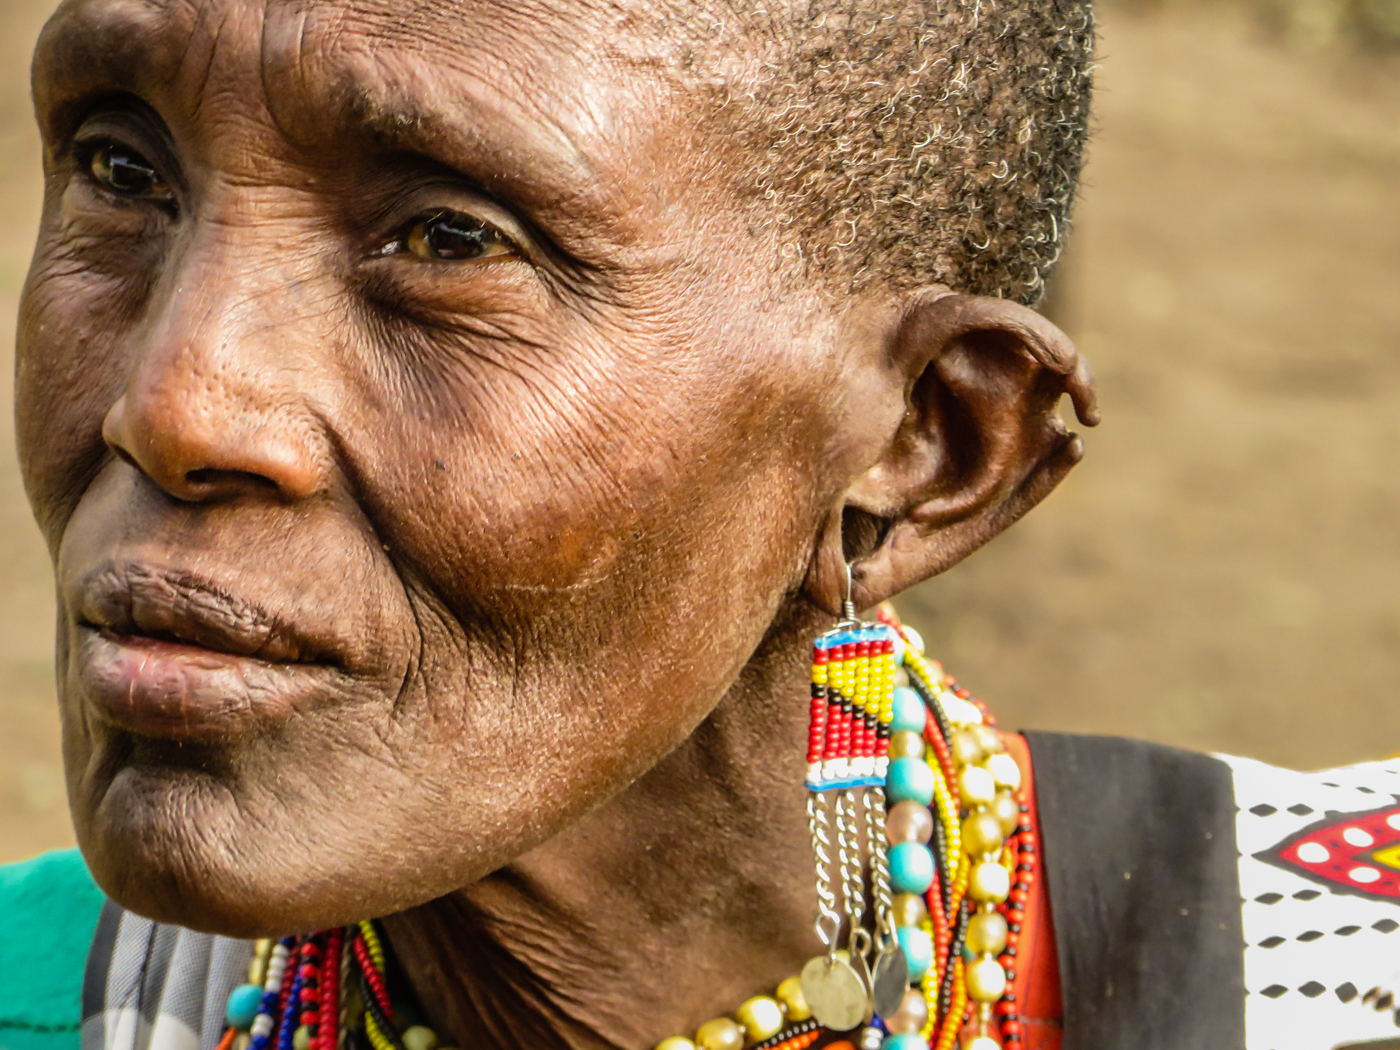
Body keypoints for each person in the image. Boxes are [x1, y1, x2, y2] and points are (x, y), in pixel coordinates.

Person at [1, 1, 1398, 1049]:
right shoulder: (37, 991)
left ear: (929, 445)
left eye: (448, 238)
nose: (173, 401)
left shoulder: (1333, 979)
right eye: (123, 171)